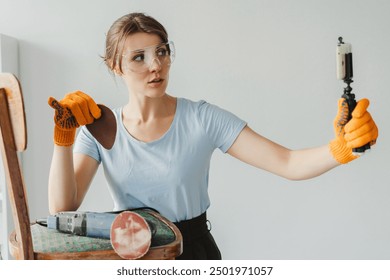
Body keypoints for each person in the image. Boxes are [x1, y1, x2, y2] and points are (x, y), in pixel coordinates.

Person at [47, 12, 378, 260]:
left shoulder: (201, 119)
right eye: (139, 57)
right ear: (115, 66)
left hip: (194, 254)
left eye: (161, 52)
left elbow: (287, 162)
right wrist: (64, 138)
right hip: (131, 257)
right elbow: (62, 209)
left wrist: (342, 148)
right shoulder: (100, 129)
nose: (155, 65)